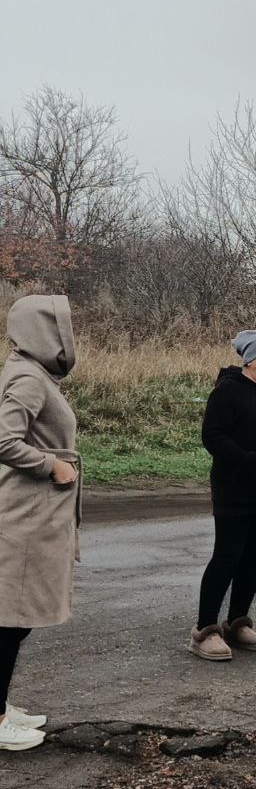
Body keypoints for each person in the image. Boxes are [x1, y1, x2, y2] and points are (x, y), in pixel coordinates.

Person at [0, 294, 80, 751]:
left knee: (14, 618)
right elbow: (3, 440)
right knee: (10, 619)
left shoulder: (28, 371)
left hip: (32, 512)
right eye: (61, 325)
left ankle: (1, 704)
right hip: (26, 514)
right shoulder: (29, 377)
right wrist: (52, 465)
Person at [190, 330, 256, 661]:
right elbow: (213, 435)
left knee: (252, 558)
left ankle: (237, 623)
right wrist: (248, 463)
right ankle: (205, 630)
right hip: (236, 491)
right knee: (227, 557)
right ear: (251, 358)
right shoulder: (229, 391)